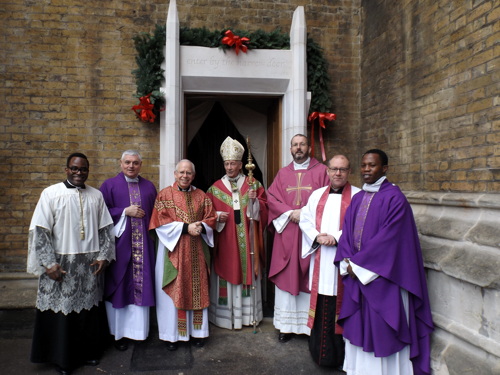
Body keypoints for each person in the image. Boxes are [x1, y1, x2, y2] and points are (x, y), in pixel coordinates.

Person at [334, 149, 434, 375]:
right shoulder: (358, 198)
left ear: (385, 169)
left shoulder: (395, 198)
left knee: (383, 329)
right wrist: (348, 260)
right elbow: (347, 233)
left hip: (384, 277)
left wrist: (358, 266)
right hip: (356, 274)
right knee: (359, 326)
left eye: (372, 166)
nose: (366, 170)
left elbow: (392, 239)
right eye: (363, 165)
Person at [27, 153, 115, 375]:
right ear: (66, 169)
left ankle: (89, 353)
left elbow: (106, 230)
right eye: (74, 168)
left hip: (89, 265)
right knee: (63, 315)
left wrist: (104, 256)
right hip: (61, 264)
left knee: (87, 313)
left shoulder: (96, 196)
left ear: (88, 170)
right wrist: (49, 264)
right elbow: (40, 231)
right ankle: (63, 360)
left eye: (83, 169)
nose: (79, 173)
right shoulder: (51, 194)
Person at [267, 134, 329, 342]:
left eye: (302, 144)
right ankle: (286, 327)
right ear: (290, 149)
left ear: (309, 148)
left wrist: (306, 214)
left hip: (310, 234)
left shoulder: (322, 171)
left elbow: (329, 198)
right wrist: (289, 213)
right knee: (286, 275)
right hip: (287, 234)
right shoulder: (283, 174)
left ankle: (309, 326)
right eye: (295, 145)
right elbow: (272, 197)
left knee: (310, 277)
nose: (299, 148)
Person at [299, 155, 360, 367]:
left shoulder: (358, 196)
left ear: (349, 171)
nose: (338, 173)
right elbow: (305, 220)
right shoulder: (316, 196)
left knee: (341, 307)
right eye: (334, 169)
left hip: (343, 263)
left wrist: (337, 237)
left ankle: (342, 359)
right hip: (321, 260)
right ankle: (320, 354)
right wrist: (317, 236)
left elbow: (361, 227)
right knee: (323, 307)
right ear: (327, 171)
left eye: (342, 169)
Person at [149, 159, 216, 351]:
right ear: (175, 174)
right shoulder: (164, 195)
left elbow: (211, 218)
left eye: (188, 173)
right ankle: (172, 335)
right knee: (175, 288)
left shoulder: (201, 196)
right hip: (173, 251)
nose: (185, 176)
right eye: (181, 172)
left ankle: (198, 333)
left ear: (193, 176)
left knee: (196, 287)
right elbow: (159, 222)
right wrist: (186, 228)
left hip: (196, 251)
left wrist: (202, 226)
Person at [206, 136, 268, 330]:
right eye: (226, 164)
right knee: (227, 270)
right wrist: (216, 217)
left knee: (246, 270)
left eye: (233, 163)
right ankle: (225, 317)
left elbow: (264, 211)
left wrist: (254, 202)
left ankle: (249, 316)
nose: (230, 167)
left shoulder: (253, 185)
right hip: (225, 242)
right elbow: (206, 215)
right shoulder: (215, 189)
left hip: (248, 242)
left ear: (241, 164)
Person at [99, 150, 157, 351]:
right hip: (120, 248)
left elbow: (157, 216)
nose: (131, 166)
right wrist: (124, 211)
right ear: (120, 163)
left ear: (141, 164)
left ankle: (139, 333)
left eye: (135, 163)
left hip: (144, 249)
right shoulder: (109, 185)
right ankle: (119, 333)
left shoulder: (149, 187)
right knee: (120, 288)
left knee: (141, 287)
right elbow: (100, 213)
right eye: (127, 162)